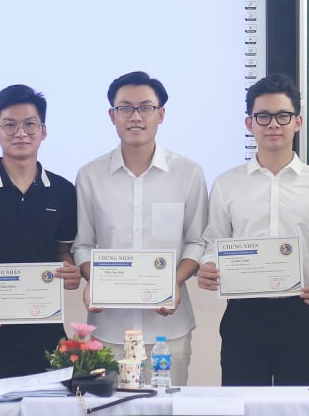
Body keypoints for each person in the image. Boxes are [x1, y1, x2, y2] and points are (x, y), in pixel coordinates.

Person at [198, 74, 309, 386]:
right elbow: (213, 243)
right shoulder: (226, 184)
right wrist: (208, 266)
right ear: (249, 123)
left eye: (283, 116)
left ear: (298, 122)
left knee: (301, 405)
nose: (273, 124)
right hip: (244, 314)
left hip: (301, 314)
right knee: (243, 404)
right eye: (263, 116)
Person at [73, 71, 207, 385]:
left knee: (166, 406)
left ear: (161, 114)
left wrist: (173, 281)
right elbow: (83, 244)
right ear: (112, 115)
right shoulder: (90, 176)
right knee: (105, 406)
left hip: (168, 331)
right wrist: (95, 281)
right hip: (108, 329)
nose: (135, 117)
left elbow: (197, 241)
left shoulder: (188, 173)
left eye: (145, 107)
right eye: (125, 108)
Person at [0, 84, 81, 382]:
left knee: (49, 403)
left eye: (30, 124)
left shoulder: (62, 190)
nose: (21, 133)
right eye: (9, 125)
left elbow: (62, 252)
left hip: (45, 330)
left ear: (43, 131)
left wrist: (71, 271)